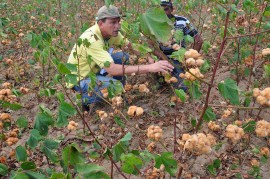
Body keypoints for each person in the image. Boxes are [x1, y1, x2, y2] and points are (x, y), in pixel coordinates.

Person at [66, 5, 174, 111]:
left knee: (122, 57)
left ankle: (117, 94)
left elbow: (130, 46)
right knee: (115, 86)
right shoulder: (92, 39)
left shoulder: (111, 33)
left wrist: (147, 56)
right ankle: (84, 99)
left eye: (118, 21)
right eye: (113, 22)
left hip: (93, 70)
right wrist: (150, 67)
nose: (117, 26)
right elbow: (112, 69)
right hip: (80, 80)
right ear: (100, 23)